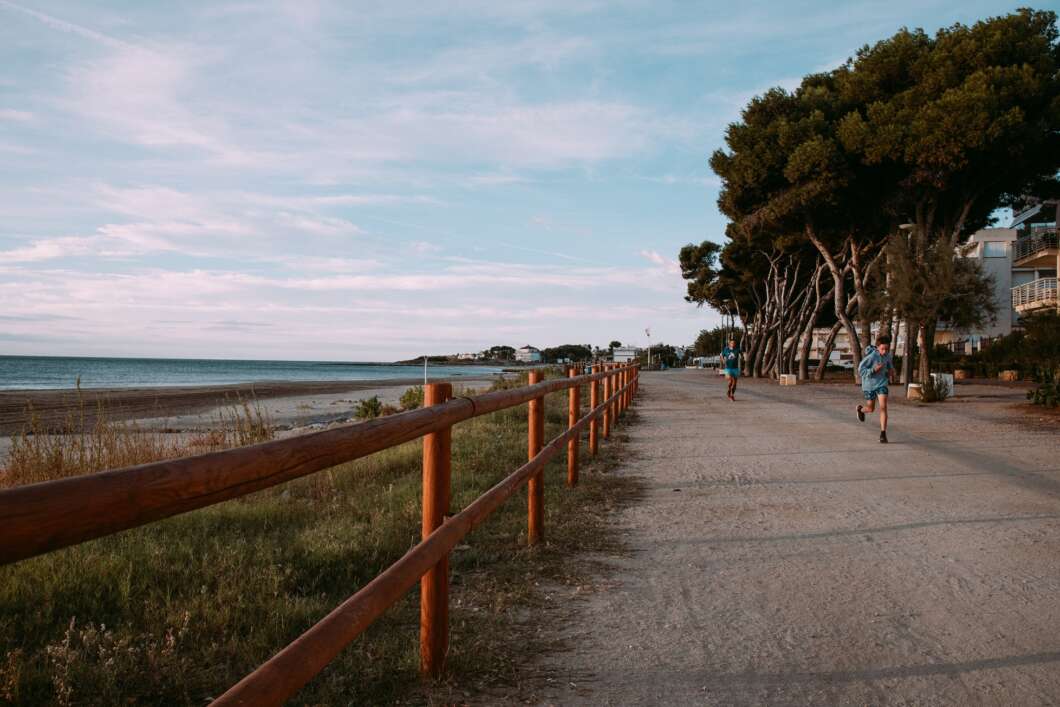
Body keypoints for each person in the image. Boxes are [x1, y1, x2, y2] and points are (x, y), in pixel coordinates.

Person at [856, 334, 895, 443]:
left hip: (882, 384)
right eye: (882, 349)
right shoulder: (871, 357)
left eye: (887, 349)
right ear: (877, 347)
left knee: (883, 407)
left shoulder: (887, 356)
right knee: (870, 409)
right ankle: (860, 410)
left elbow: (890, 366)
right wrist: (873, 370)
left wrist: (891, 372)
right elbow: (861, 370)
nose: (884, 351)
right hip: (869, 385)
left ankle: (883, 434)